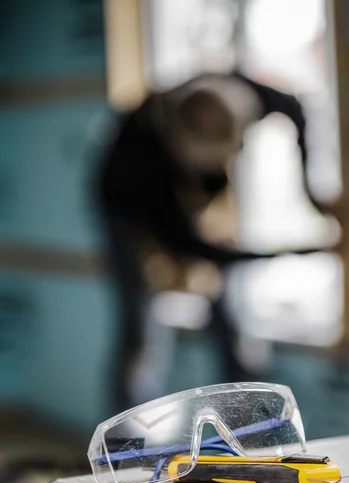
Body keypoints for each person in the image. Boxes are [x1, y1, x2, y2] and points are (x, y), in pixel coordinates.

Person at [95, 71, 334, 413]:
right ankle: (127, 437)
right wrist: (274, 254)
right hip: (128, 212)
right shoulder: (143, 162)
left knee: (229, 308)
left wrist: (310, 192)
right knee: (141, 322)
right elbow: (185, 243)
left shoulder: (249, 97)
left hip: (188, 201)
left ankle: (247, 418)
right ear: (182, 148)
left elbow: (296, 109)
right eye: (211, 159)